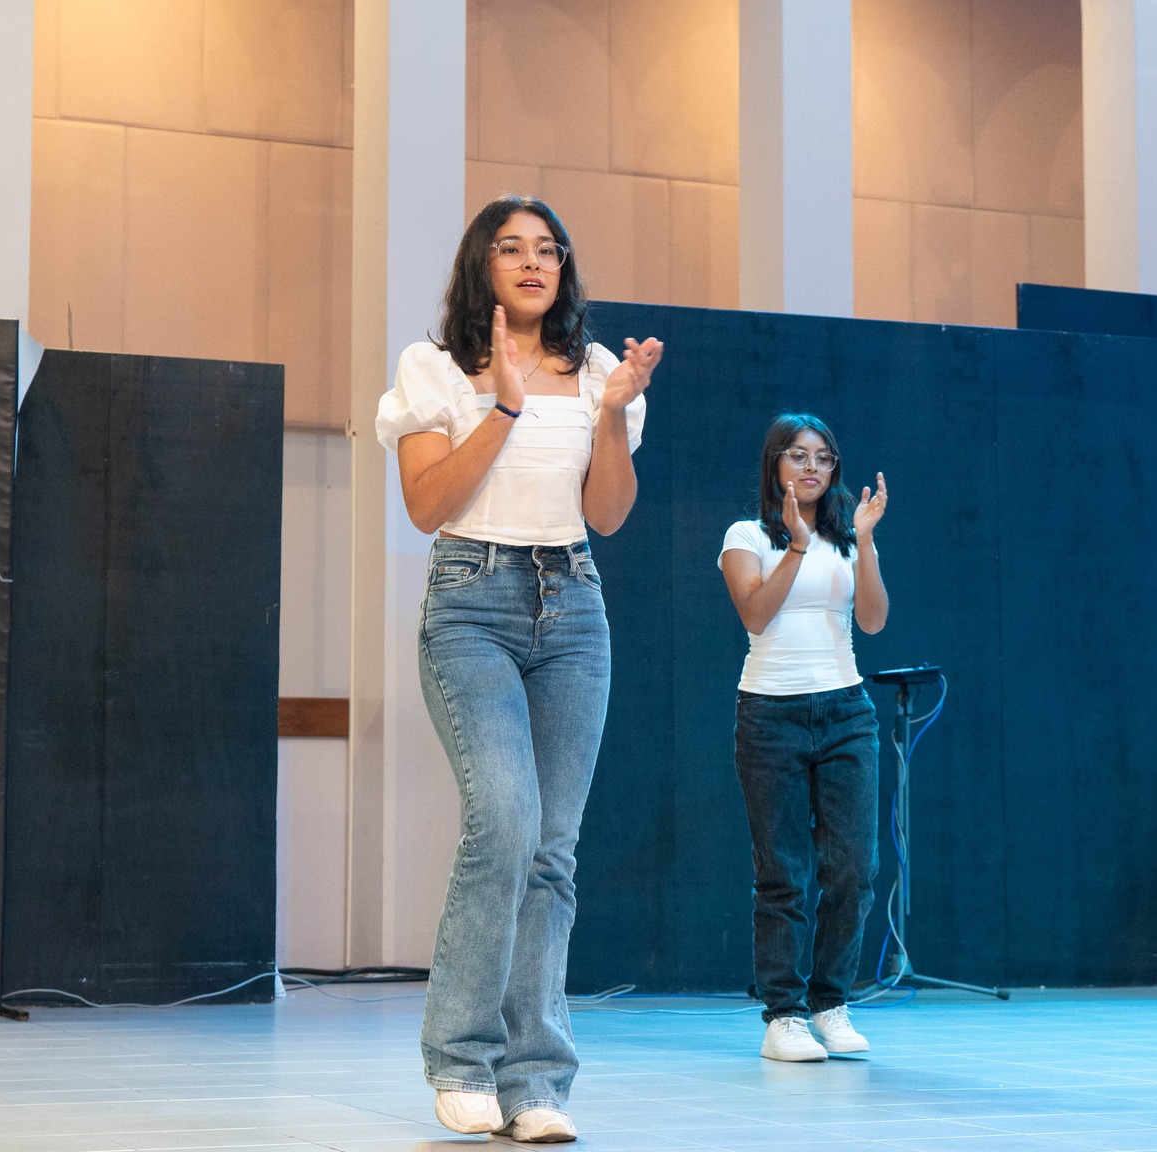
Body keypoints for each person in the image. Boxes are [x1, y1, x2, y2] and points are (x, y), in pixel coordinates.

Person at [376, 195, 662, 1142]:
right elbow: (427, 505)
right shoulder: (433, 368)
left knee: (551, 850)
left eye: (549, 249)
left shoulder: (600, 372)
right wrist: (503, 403)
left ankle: (536, 1082)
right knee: (504, 824)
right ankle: (460, 1060)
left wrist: (611, 417)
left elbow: (607, 515)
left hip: (573, 603)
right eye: (512, 248)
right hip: (472, 602)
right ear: (482, 265)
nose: (534, 262)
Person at [718, 413, 890, 1062]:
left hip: (846, 711)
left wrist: (865, 542)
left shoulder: (847, 538)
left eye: (823, 457)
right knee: (783, 872)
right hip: (770, 713)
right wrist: (794, 545)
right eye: (797, 454)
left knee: (854, 868)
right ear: (775, 465)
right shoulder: (746, 536)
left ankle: (830, 1003)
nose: (812, 466)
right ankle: (784, 1015)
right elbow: (756, 615)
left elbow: (873, 621)